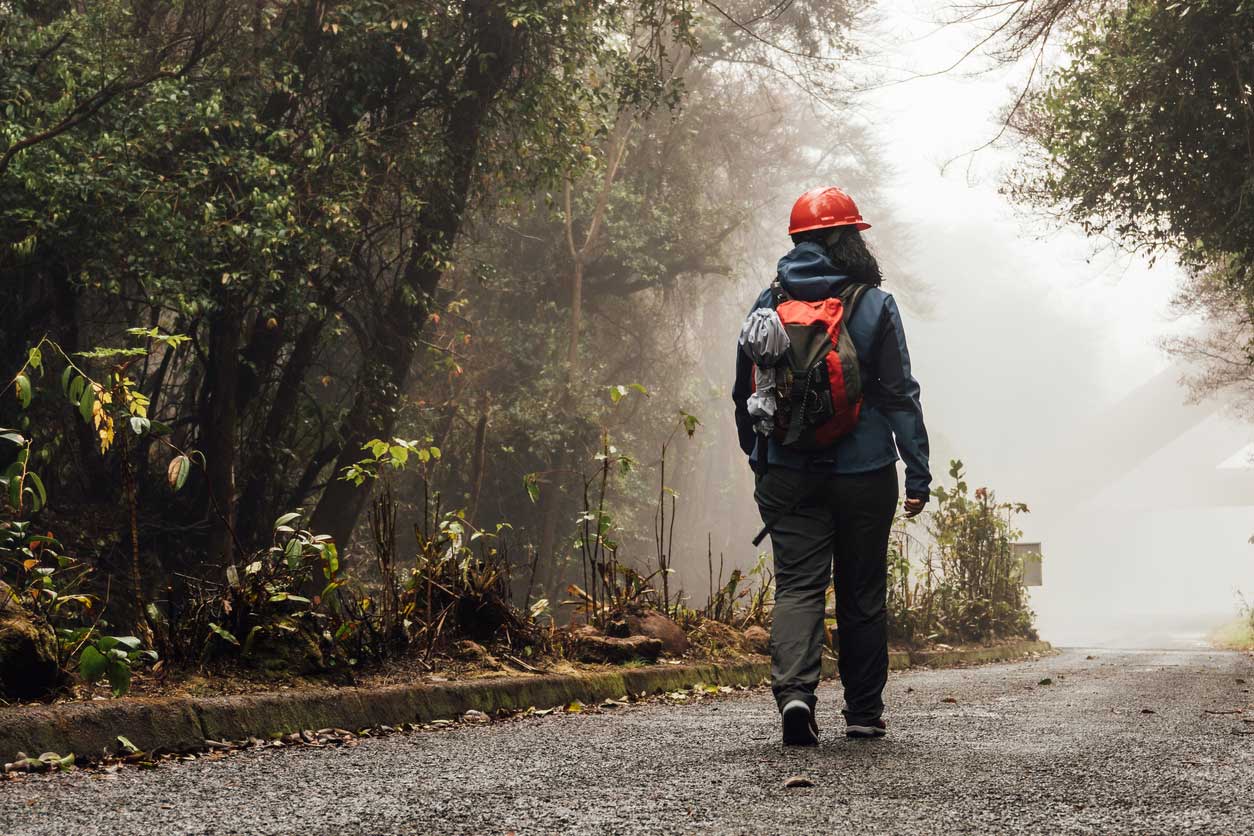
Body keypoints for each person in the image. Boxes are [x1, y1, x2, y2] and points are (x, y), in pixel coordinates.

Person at [732, 186, 931, 745]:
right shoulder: (873, 304)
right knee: (862, 591)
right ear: (849, 239)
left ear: (796, 240)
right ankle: (864, 713)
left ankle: (796, 696)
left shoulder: (766, 305)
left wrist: (760, 458)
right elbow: (898, 395)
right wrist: (917, 471)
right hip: (865, 472)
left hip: (788, 471)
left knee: (797, 586)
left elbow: (742, 393)